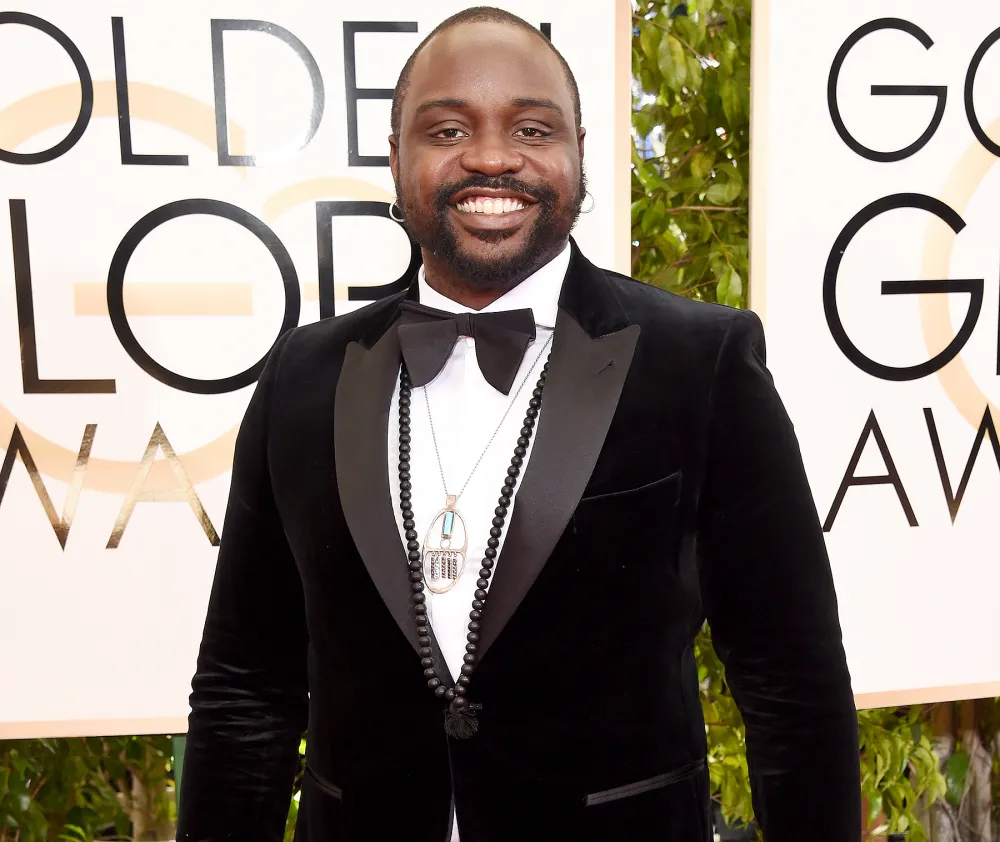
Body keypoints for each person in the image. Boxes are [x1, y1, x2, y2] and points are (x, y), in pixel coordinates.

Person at [176, 7, 861, 842]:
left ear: (579, 152)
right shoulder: (303, 376)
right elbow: (246, 687)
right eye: (448, 130)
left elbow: (792, 684)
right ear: (395, 159)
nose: (493, 157)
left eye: (532, 128)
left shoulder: (701, 363)